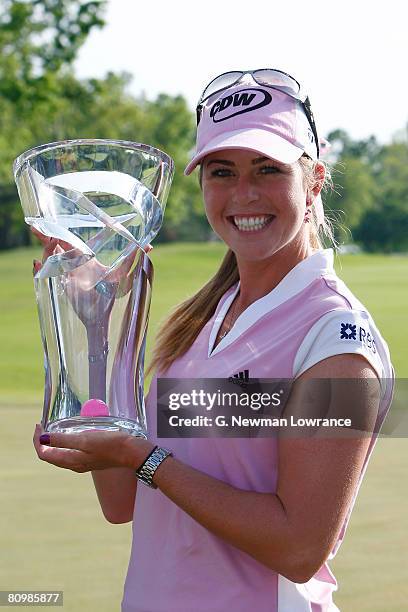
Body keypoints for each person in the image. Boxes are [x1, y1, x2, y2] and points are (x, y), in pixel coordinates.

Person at [33, 69, 394, 612]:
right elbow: (121, 500)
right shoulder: (199, 323)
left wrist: (145, 456)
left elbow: (299, 547)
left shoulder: (337, 339)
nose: (243, 194)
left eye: (267, 169)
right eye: (221, 172)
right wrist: (98, 324)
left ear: (314, 179)